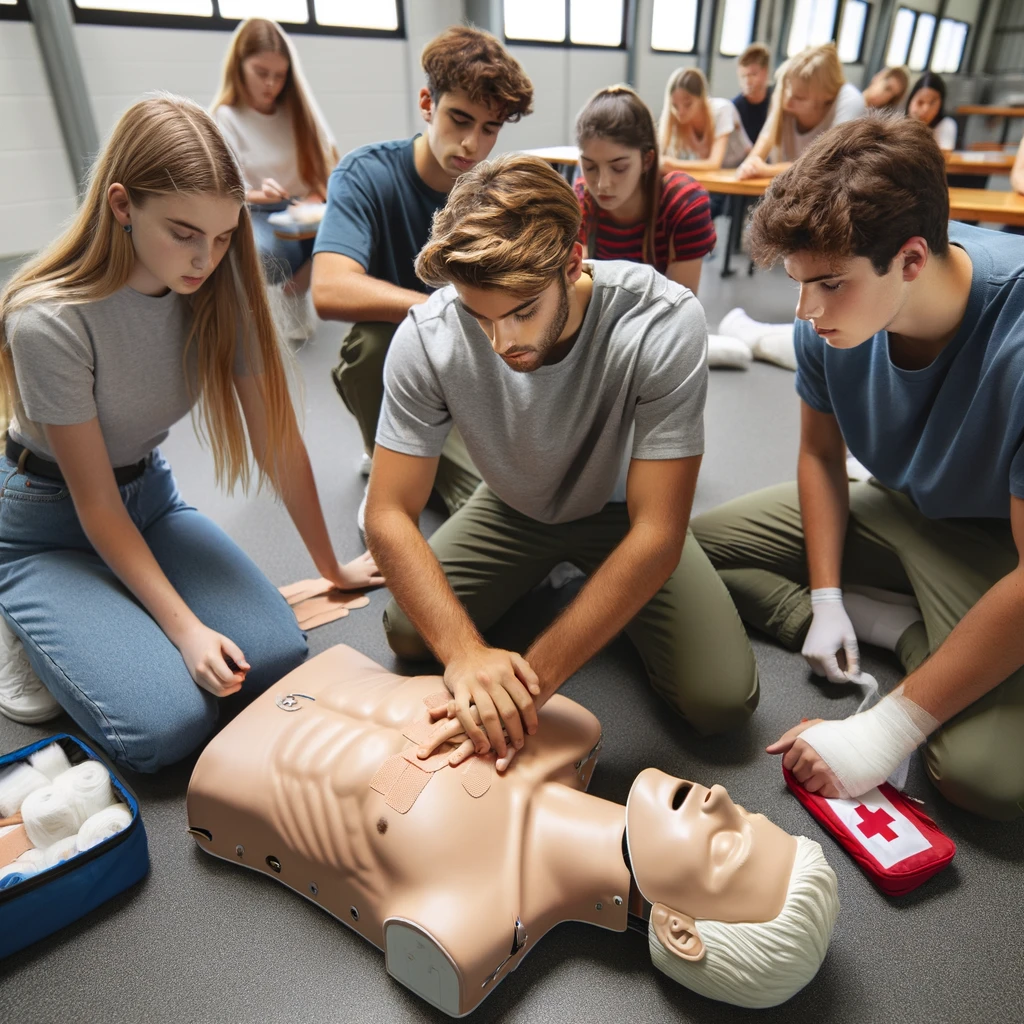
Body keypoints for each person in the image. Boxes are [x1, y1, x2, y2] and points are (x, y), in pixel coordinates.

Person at [0, 96, 381, 769]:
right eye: (183, 232)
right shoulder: (48, 322)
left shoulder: (215, 289)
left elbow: (278, 445)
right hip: (45, 525)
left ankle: (114, 613)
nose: (206, 258)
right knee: (168, 722)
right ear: (123, 206)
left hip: (148, 499)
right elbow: (94, 507)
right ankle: (23, 622)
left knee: (274, 654)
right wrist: (186, 630)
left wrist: (332, 567)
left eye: (224, 235)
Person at [364, 153, 758, 768]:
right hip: (512, 501)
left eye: (522, 310)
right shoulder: (427, 335)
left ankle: (595, 593)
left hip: (623, 513)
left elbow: (657, 534)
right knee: (411, 634)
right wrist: (466, 654)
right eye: (480, 317)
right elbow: (387, 511)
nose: (504, 342)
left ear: (573, 262)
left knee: (721, 702)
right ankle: (560, 580)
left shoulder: (663, 321)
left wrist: (529, 687)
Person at [188, 643, 839, 1013]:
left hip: (227, 763)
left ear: (677, 930)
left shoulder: (474, 922)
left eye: (727, 844)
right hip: (327, 668)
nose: (723, 798)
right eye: (748, 813)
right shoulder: (572, 734)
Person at [691, 117, 1024, 821]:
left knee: (983, 779)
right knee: (680, 552)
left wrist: (886, 728)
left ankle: (920, 637)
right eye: (799, 284)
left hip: (998, 545)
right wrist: (825, 598)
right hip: (896, 501)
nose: (806, 312)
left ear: (909, 260)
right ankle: (890, 624)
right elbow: (818, 454)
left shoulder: (1016, 335)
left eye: (831, 285)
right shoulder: (832, 319)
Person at [311, 26, 533, 530]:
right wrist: (436, 309)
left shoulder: (494, 193)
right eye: (460, 119)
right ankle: (389, 468)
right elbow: (327, 288)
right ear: (427, 103)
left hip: (477, 368)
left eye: (491, 127)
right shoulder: (365, 175)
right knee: (370, 344)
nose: (473, 143)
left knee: (521, 497)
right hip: (398, 366)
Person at [212, 18, 337, 341]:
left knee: (350, 226)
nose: (271, 84)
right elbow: (221, 193)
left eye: (279, 76)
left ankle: (295, 290)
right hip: (257, 213)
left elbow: (322, 177)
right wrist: (255, 194)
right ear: (239, 67)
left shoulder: (295, 113)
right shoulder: (226, 118)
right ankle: (285, 295)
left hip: (304, 207)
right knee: (261, 255)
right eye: (261, 73)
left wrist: (312, 201)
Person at [575, 85, 716, 296]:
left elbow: (680, 312)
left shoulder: (683, 205)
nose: (602, 184)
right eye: (590, 167)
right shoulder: (582, 198)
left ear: (647, 160)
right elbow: (581, 293)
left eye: (619, 168)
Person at [737, 43, 865, 180]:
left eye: (800, 98)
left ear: (827, 97)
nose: (788, 102)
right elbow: (763, 144)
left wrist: (768, 169)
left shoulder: (850, 101)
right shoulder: (788, 94)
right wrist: (750, 165)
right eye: (786, 91)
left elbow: (829, 166)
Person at [658, 68, 751, 219]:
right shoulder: (679, 120)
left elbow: (714, 163)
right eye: (675, 106)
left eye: (687, 104)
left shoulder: (722, 110)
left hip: (744, 173)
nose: (680, 111)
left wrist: (672, 164)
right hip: (716, 178)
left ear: (701, 98)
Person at [732, 43, 774, 145]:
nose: (747, 82)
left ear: (765, 72)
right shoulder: (735, 108)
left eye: (753, 75)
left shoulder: (778, 99)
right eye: (743, 76)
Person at [906, 72, 957, 152]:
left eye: (932, 103)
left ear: (941, 105)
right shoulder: (897, 124)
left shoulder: (946, 125)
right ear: (910, 101)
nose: (925, 110)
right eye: (920, 102)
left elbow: (944, 158)